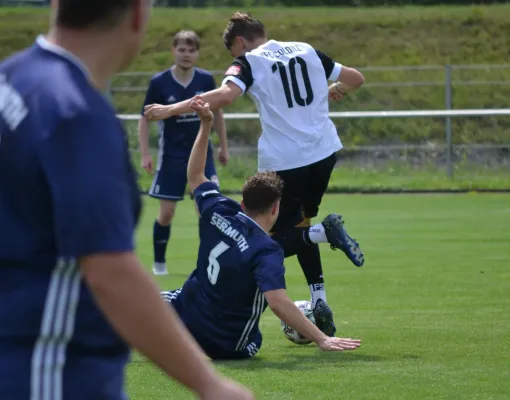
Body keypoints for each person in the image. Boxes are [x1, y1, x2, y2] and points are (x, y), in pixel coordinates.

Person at [0, 1, 253, 399]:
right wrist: (211, 385)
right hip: (48, 371)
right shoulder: (76, 113)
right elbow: (109, 272)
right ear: (138, 14)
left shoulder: (11, 76)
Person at [144, 11, 366, 337]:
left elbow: (225, 96)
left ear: (239, 42)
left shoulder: (248, 61)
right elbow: (356, 78)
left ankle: (323, 234)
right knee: (300, 223)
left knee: (266, 241)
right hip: (324, 152)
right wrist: (339, 91)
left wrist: (170, 109)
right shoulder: (306, 49)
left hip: (285, 160)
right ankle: (319, 297)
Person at [160, 96, 362, 360]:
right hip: (226, 344)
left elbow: (196, 176)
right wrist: (322, 338)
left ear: (243, 202)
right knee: (253, 340)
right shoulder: (267, 251)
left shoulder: (219, 210)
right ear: (276, 209)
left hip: (187, 316)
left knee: (145, 297)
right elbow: (278, 302)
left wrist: (206, 124)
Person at [138, 30, 229, 276]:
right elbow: (144, 118)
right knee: (166, 214)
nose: (186, 54)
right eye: (182, 49)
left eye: (191, 50)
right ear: (173, 51)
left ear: (198, 53)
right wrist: (145, 154)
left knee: (206, 210)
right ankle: (159, 264)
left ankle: (205, 265)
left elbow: (218, 112)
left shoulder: (205, 80)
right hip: (172, 158)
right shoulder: (159, 82)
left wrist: (223, 145)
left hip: (202, 156)